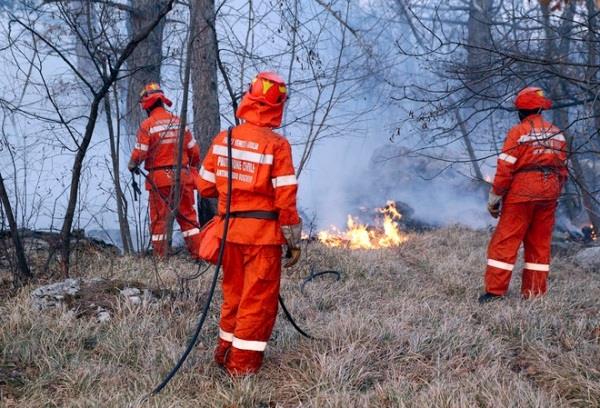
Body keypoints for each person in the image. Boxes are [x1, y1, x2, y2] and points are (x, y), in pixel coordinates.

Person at [195, 72, 302, 375]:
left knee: (234, 295)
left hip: (229, 234)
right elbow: (286, 201)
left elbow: (204, 186)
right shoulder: (277, 146)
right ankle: (241, 369)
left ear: (249, 98)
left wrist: (232, 186)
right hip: (263, 240)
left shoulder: (224, 139)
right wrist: (293, 243)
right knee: (257, 302)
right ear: (277, 105)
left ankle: (224, 353)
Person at [479, 86, 568, 304]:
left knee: (506, 241)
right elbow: (563, 170)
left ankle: (495, 293)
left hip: (522, 192)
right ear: (540, 109)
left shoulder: (518, 133)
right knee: (539, 243)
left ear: (520, 111)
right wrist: (554, 191)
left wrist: (494, 197)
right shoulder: (557, 133)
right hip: (549, 193)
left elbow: (505, 169)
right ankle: (535, 294)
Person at [128, 83, 201, 257]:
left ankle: (161, 261)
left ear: (146, 105)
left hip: (159, 180)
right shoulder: (179, 122)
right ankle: (199, 256)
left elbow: (140, 152)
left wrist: (132, 164)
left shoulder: (148, 125)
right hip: (183, 177)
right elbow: (195, 153)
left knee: (160, 222)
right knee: (189, 220)